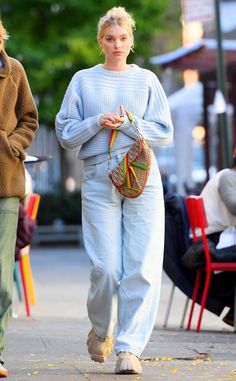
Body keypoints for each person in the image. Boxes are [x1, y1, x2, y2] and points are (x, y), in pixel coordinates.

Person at [56, 7, 173, 375]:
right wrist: (96, 121)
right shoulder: (83, 81)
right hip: (98, 176)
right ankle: (102, 329)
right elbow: (65, 133)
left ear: (132, 41)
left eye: (123, 39)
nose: (117, 45)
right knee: (106, 267)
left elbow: (164, 132)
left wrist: (131, 125)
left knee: (143, 265)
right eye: (110, 39)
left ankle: (130, 348)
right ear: (100, 42)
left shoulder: (147, 81)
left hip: (141, 175)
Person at [0, 19, 38, 377]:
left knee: (0, 278)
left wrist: (11, 146)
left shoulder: (13, 71)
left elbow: (29, 119)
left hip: (4, 183)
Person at [200, 148, 236, 327]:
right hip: (214, 239)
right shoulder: (229, 177)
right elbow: (234, 205)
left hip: (216, 238)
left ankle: (233, 313)